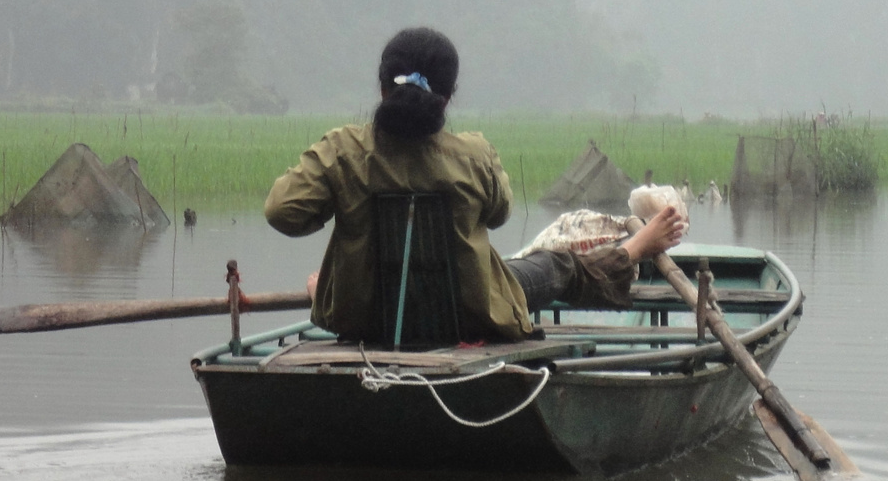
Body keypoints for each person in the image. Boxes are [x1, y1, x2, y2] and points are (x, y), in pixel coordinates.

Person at [264, 27, 684, 343]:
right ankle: (633, 249)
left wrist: (332, 281)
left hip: (364, 320)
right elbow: (499, 215)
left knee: (336, 280)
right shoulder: (474, 155)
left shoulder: (342, 151)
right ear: (447, 98)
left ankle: (329, 291)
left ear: (381, 86)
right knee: (558, 265)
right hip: (468, 317)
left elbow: (282, 212)